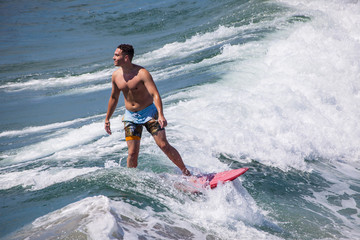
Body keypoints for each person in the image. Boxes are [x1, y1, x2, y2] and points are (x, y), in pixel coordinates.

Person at [104, 44, 191, 176]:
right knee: (132, 154)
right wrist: (107, 119)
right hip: (131, 117)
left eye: (116, 55)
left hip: (149, 113)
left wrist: (161, 114)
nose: (113, 57)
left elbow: (155, 94)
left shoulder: (142, 73)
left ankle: (187, 173)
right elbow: (114, 98)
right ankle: (132, 180)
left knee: (163, 145)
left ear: (126, 57)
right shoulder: (116, 76)